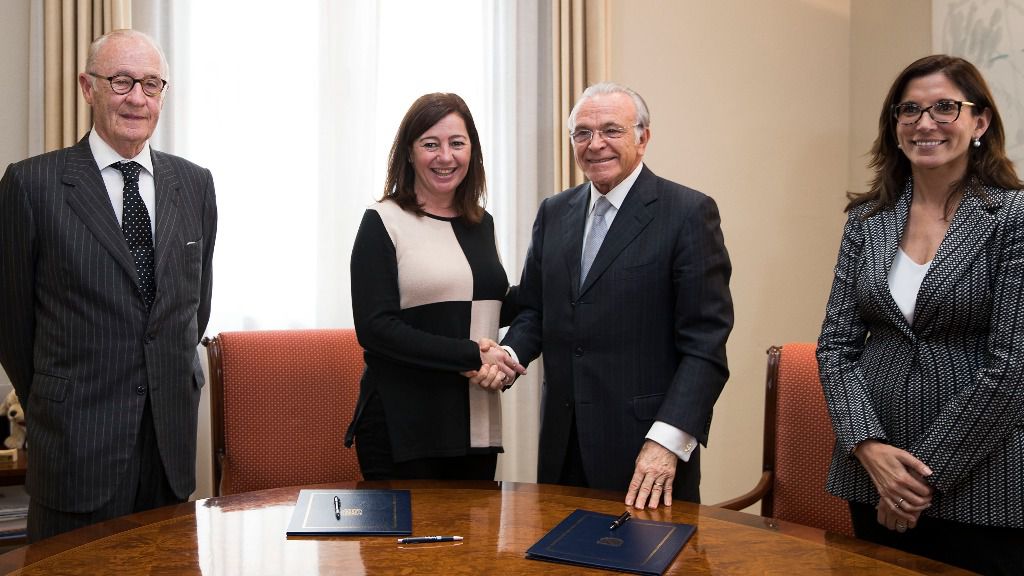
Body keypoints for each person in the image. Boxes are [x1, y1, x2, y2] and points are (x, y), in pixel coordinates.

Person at [0, 29, 217, 542]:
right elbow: (11, 324)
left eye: (151, 84)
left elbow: (194, 307)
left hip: (167, 449)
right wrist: (58, 402)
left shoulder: (195, 184)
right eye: (121, 81)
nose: (137, 98)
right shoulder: (31, 185)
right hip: (76, 446)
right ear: (87, 87)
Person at [817, 54, 1024, 575]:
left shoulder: (1013, 218)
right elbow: (835, 347)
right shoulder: (867, 219)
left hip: (983, 482)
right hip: (870, 475)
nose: (924, 122)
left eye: (944, 108)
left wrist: (917, 482)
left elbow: (1012, 366)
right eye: (908, 110)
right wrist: (867, 446)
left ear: (980, 122)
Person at [489, 82, 733, 508]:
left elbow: (705, 346)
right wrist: (510, 355)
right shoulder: (554, 211)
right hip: (562, 448)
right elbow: (534, 307)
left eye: (611, 130)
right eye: (581, 133)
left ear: (643, 137)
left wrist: (667, 442)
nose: (595, 144)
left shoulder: (687, 213)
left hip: (646, 454)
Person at [344, 93, 523, 481]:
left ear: (471, 151)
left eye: (457, 143)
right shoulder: (382, 222)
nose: (446, 156)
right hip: (404, 424)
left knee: (477, 542)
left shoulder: (482, 224)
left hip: (476, 421)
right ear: (409, 153)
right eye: (431, 144)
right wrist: (471, 355)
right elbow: (376, 329)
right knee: (404, 544)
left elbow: (489, 306)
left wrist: (555, 270)